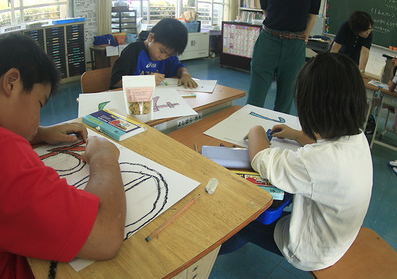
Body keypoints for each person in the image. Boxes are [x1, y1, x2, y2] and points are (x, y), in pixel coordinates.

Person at [0, 33, 127, 278]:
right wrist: (103, 156)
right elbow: (105, 235)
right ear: (11, 83)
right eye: (39, 104)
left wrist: (38, 134)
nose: (37, 121)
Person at [220, 53, 373, 272]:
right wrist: (296, 135)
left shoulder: (318, 162)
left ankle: (203, 256)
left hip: (310, 250)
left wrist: (255, 130)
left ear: (311, 111)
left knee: (245, 225)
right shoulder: (357, 137)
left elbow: (260, 159)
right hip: (337, 235)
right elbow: (321, 143)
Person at [246, 0, 320, 114]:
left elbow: (312, 17)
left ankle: (278, 129)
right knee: (256, 95)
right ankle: (249, 127)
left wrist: (303, 37)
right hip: (268, 39)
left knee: (286, 98)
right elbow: (265, 10)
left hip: (295, 44)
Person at [110, 18, 198, 89]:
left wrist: (185, 74)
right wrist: (145, 80)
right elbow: (115, 83)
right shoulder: (133, 51)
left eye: (169, 55)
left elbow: (179, 66)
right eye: (162, 51)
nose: (163, 57)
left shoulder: (167, 57)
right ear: (151, 37)